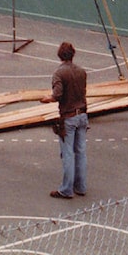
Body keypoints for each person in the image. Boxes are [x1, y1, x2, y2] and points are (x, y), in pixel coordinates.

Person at [40, 41, 88, 199]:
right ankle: (80, 187)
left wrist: (47, 99)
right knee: (80, 152)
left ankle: (67, 189)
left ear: (60, 55)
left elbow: (58, 95)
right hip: (82, 115)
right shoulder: (82, 72)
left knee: (68, 154)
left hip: (69, 117)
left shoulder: (59, 73)